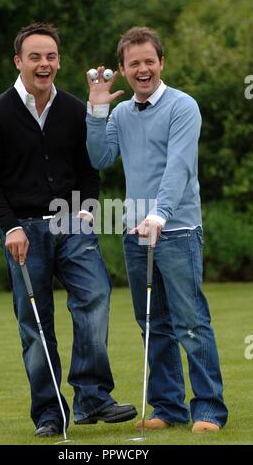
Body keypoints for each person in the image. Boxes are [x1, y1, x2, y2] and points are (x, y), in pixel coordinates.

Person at [0, 22, 137, 438]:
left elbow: (89, 171)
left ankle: (93, 397)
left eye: (50, 56)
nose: (43, 63)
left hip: (72, 222)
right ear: (19, 62)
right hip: (22, 231)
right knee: (35, 324)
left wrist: (85, 214)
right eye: (34, 56)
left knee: (95, 298)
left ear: (58, 62)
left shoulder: (73, 109)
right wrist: (9, 226)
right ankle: (50, 412)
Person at [86, 26, 228, 433]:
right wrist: (96, 110)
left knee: (191, 322)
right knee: (153, 324)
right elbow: (100, 157)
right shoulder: (121, 114)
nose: (143, 69)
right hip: (135, 234)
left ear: (161, 63)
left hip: (178, 230)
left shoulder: (184, 107)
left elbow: (179, 166)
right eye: (135, 64)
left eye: (150, 61)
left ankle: (209, 410)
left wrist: (160, 214)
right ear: (123, 69)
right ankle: (169, 407)